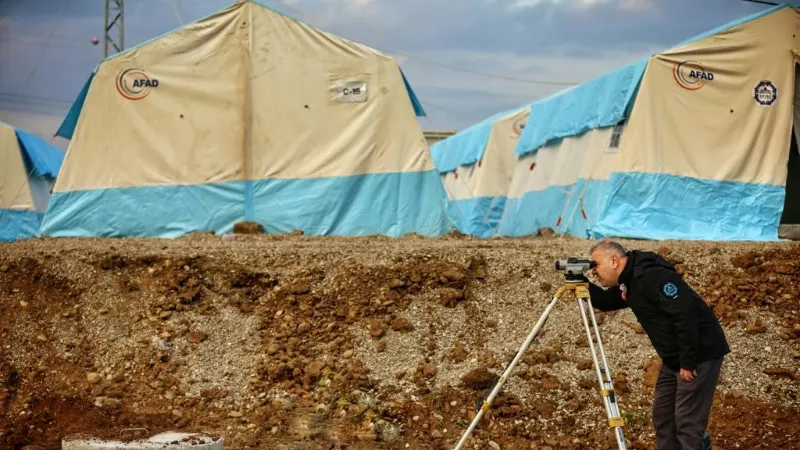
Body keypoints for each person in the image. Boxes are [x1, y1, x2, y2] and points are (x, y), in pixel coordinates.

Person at [585, 239, 729, 450]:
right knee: (664, 418)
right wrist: (580, 282)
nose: (594, 271)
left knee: (687, 423)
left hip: (699, 352)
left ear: (614, 260)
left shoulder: (651, 275)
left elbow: (685, 314)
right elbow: (608, 302)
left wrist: (688, 361)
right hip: (674, 357)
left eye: (596, 265)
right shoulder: (630, 279)